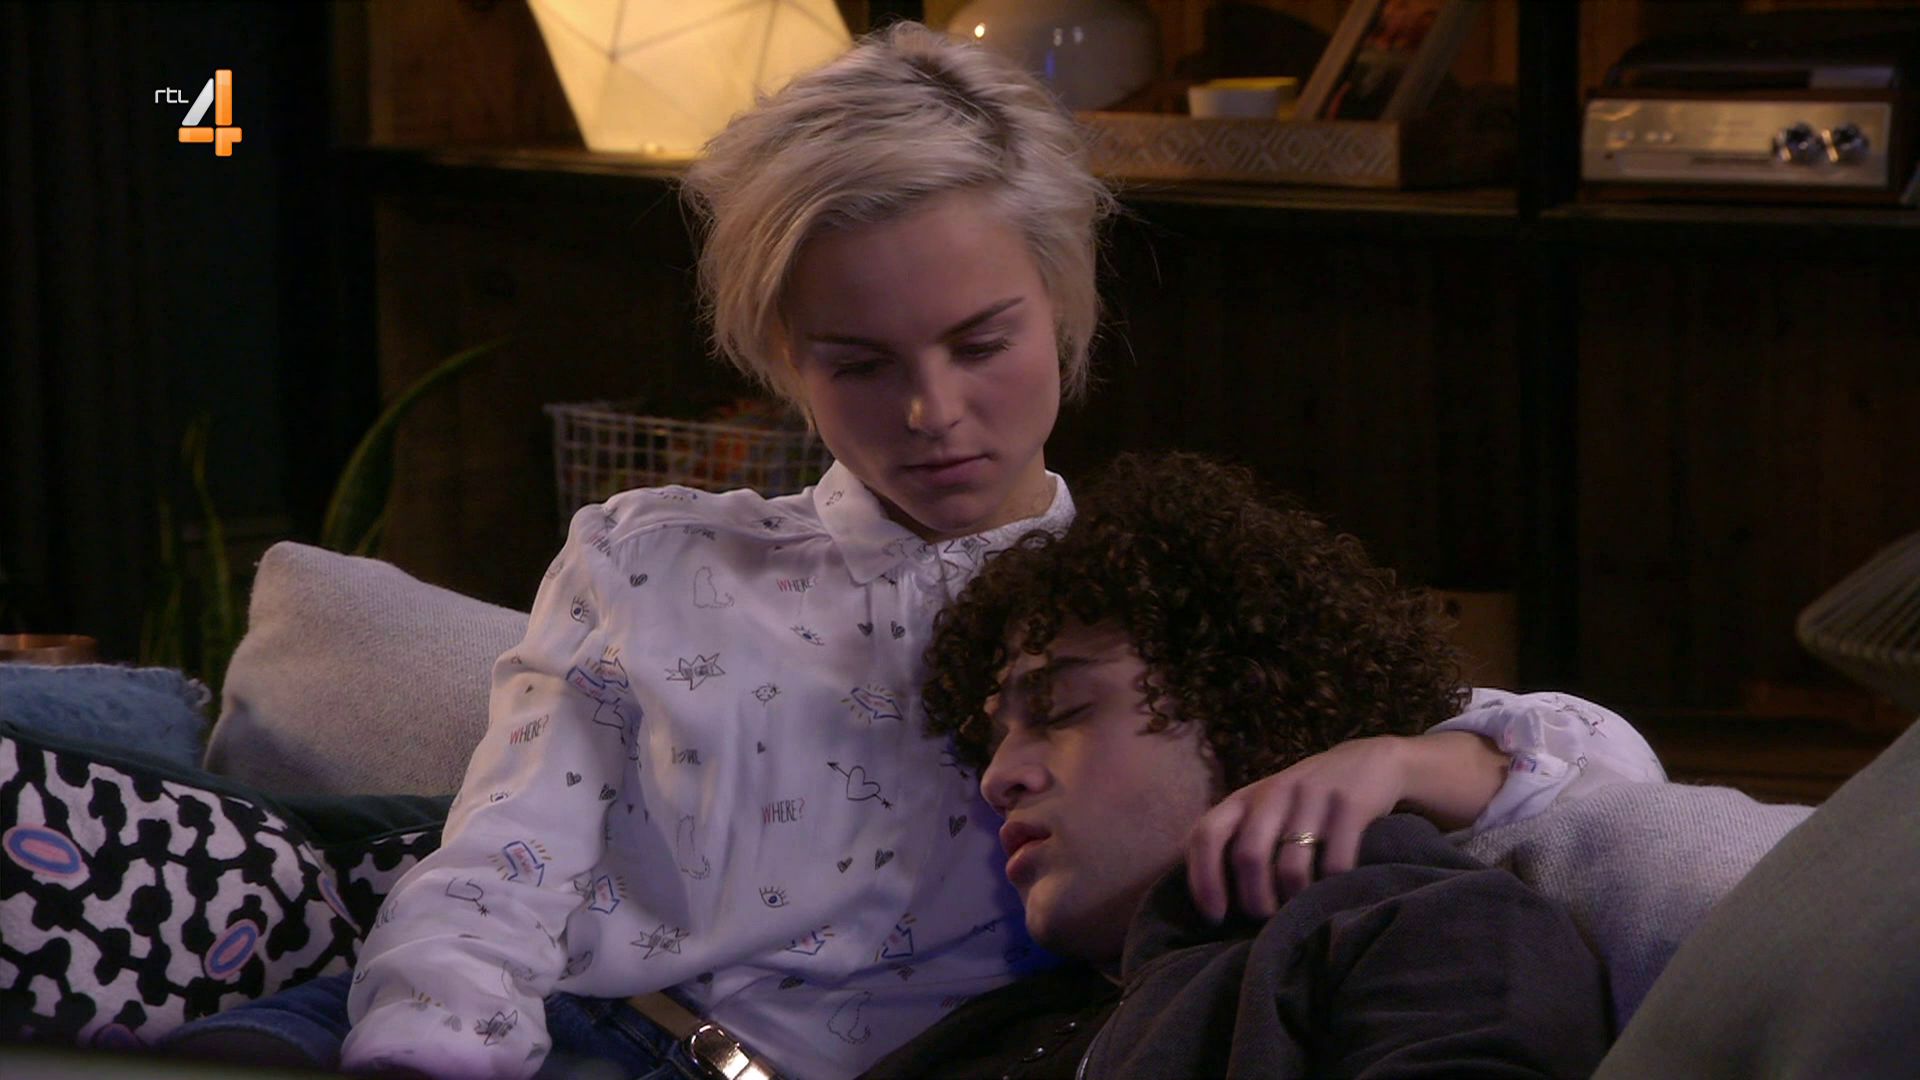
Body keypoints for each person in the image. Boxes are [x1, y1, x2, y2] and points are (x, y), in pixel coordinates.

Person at [164, 21, 1659, 1080]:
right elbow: (502, 862)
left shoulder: (1142, 618)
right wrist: (430, 1049)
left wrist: (1403, 760)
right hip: (560, 1036)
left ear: (1061, 308)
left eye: (981, 342)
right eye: (860, 363)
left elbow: (1597, 772)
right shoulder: (651, 557)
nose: (935, 413)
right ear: (783, 360)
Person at [865, 451, 1614, 1078]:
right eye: (991, 740)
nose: (998, 778)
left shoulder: (1416, 929)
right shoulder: (999, 1025)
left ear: (1242, 697)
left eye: (1060, 709)